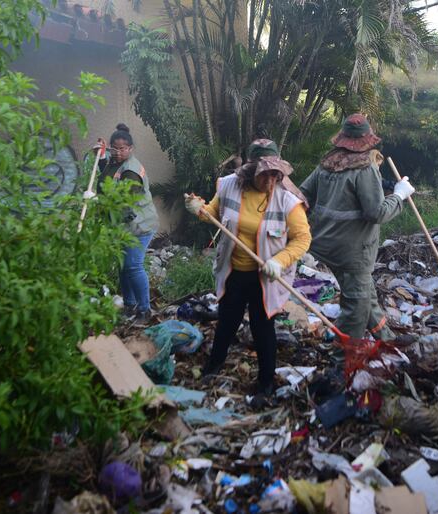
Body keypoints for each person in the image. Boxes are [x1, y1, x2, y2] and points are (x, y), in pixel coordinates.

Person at [184, 156, 311, 406]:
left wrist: (281, 260)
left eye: (275, 176)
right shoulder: (231, 185)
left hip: (266, 276)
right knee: (227, 321)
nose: (270, 181)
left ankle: (266, 383)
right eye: (264, 175)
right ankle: (214, 365)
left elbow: (302, 239)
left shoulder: (288, 201)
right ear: (251, 172)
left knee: (262, 329)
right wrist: (199, 208)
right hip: (234, 270)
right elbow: (213, 213)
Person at [299, 113, 414, 342]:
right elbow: (377, 213)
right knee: (356, 309)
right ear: (366, 140)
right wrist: (400, 195)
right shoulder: (365, 168)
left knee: (366, 296)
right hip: (353, 252)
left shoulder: (328, 162)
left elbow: (303, 195)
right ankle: (342, 362)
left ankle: (386, 338)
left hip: (324, 245)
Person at [85, 123, 160, 320]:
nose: (117, 152)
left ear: (130, 149)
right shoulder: (113, 162)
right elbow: (106, 175)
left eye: (122, 149)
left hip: (140, 225)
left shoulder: (132, 171)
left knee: (133, 266)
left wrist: (96, 200)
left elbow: (122, 202)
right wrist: (101, 156)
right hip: (123, 226)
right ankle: (129, 305)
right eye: (114, 148)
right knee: (123, 265)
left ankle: (145, 310)